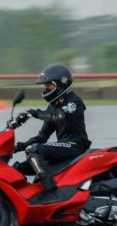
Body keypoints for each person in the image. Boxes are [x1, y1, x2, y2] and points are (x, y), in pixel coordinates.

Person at [14, 63, 91, 193]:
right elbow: (42, 137)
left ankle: (50, 190)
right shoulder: (53, 106)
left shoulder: (74, 101)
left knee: (34, 150)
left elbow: (58, 115)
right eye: (45, 86)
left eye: (49, 85)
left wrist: (33, 113)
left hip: (76, 145)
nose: (46, 89)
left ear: (61, 84)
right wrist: (16, 147)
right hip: (63, 147)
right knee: (17, 169)